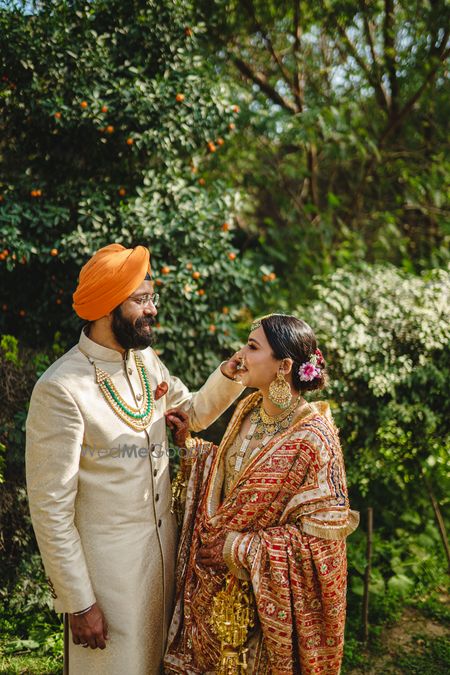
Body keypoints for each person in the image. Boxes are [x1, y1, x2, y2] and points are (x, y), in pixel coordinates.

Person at [25, 243, 243, 675]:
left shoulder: (143, 362)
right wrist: (79, 600)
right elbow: (50, 508)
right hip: (108, 587)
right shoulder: (61, 389)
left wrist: (235, 372)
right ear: (108, 306)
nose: (152, 309)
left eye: (151, 298)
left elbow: (193, 411)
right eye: (141, 300)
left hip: (164, 569)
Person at [164, 314, 359, 675]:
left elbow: (321, 544)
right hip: (216, 592)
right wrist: (190, 449)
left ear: (284, 366)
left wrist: (239, 548)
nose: (241, 355)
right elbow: (229, 479)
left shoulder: (314, 439)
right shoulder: (250, 409)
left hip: (265, 608)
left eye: (253, 347)